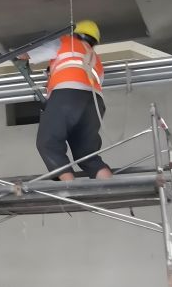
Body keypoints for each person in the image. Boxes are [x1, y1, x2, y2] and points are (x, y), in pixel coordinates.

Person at [22, 20, 113, 181]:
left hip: (67, 96)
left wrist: (14, 54)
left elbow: (26, 55)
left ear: (74, 33)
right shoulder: (95, 58)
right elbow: (89, 80)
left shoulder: (65, 42)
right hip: (95, 103)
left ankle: (70, 189)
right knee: (87, 154)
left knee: (49, 143)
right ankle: (111, 187)